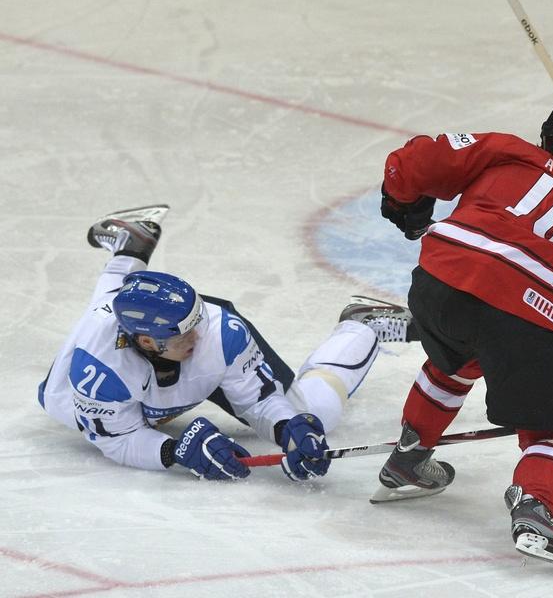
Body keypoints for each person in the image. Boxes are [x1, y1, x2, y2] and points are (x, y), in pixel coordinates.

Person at [372, 105, 553, 572]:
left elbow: (412, 161)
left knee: (458, 358)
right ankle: (534, 508)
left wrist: (403, 201)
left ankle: (409, 454)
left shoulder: (508, 150)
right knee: (551, 431)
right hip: (517, 308)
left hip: (438, 279)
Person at [38, 205, 383, 481]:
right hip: (86, 386)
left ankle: (363, 326)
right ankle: (132, 246)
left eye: (196, 319)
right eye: (185, 332)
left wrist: (286, 428)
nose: (198, 335)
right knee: (94, 326)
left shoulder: (219, 332)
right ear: (147, 341)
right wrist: (175, 453)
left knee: (315, 413)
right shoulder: (98, 371)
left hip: (169, 365)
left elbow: (259, 401)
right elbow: (120, 440)